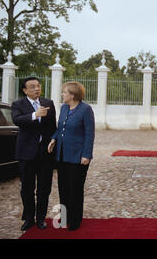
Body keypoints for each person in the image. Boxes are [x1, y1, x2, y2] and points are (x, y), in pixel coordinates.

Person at [11, 77, 57, 231]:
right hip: (26, 153)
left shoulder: (48, 103)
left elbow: (53, 127)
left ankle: (41, 218)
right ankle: (29, 218)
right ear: (25, 90)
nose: (36, 89)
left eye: (38, 86)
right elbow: (17, 120)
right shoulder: (18, 104)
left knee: (44, 188)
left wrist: (53, 140)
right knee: (27, 188)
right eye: (32, 87)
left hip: (45, 153)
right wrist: (34, 115)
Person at [48, 82, 95, 231]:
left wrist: (86, 155)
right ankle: (65, 217)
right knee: (63, 188)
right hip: (61, 155)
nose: (63, 95)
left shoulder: (86, 110)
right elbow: (60, 128)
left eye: (64, 92)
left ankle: (75, 220)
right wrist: (53, 138)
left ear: (73, 95)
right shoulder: (63, 108)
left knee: (75, 189)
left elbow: (89, 134)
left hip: (78, 157)